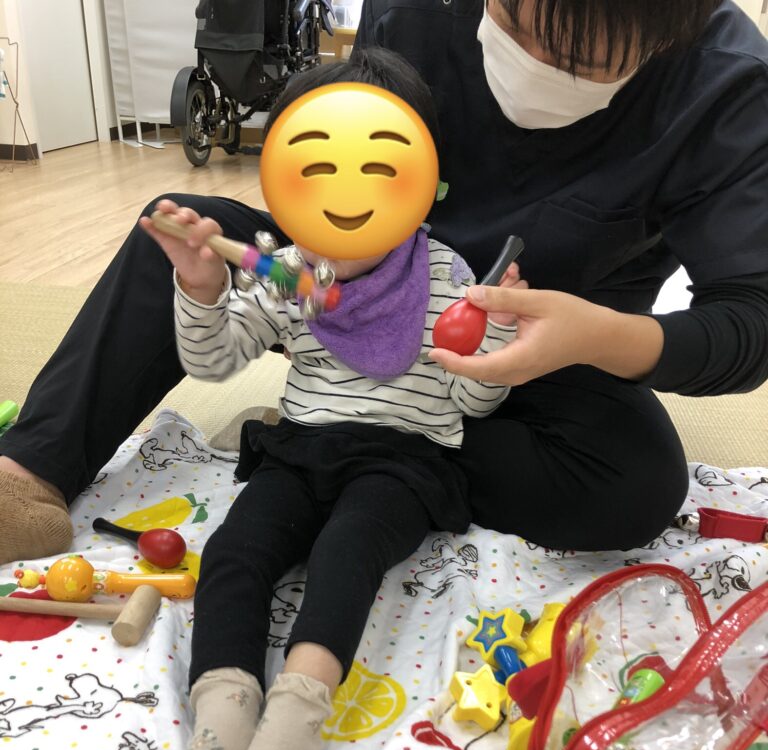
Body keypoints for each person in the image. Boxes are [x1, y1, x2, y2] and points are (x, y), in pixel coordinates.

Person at [1, 0, 766, 563]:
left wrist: (607, 337)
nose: (531, 55)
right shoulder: (420, 10)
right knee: (177, 235)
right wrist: (273, 264)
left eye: (576, 55)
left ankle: (332, 433)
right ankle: (27, 471)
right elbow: (341, 162)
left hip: (532, 355)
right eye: (512, 17)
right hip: (348, 295)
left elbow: (751, 318)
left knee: (637, 482)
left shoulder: (726, 87)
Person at [128, 49, 520, 750]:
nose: (345, 197)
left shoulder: (448, 275)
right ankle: (223, 722)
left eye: (376, 169)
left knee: (347, 553)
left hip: (403, 461)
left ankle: (289, 737)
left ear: (420, 183)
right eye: (315, 169)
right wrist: (200, 287)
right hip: (303, 446)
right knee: (235, 552)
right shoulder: (291, 274)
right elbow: (214, 364)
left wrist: (490, 342)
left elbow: (473, 404)